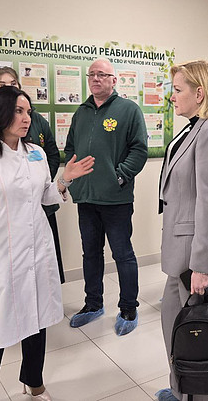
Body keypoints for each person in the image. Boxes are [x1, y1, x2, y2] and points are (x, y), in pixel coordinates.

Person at [0, 86, 95, 401]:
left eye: (28, 112)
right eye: (19, 111)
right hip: (1, 259)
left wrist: (64, 180)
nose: (26, 118)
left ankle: (33, 381)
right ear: (0, 113)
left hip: (37, 251)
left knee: (37, 321)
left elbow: (44, 195)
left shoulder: (36, 153)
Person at [155, 60, 208, 401]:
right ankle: (182, 390)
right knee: (175, 327)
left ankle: (198, 394)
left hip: (196, 259)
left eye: (178, 90)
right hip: (182, 254)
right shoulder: (193, 129)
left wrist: (204, 266)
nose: (172, 96)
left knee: (198, 339)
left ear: (199, 93)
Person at [0, 67, 65, 304]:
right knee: (3, 300)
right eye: (2, 85)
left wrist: (54, 181)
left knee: (36, 292)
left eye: (14, 84)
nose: (26, 118)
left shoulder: (35, 144)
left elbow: (48, 166)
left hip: (35, 218)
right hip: (1, 226)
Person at [64, 58, 148, 336]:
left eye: (102, 74)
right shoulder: (81, 112)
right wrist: (74, 179)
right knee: (90, 254)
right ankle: (93, 304)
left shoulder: (128, 110)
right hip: (86, 198)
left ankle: (129, 308)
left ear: (114, 80)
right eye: (92, 74)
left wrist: (119, 176)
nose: (96, 79)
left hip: (116, 199)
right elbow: (70, 149)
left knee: (123, 254)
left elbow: (139, 149)